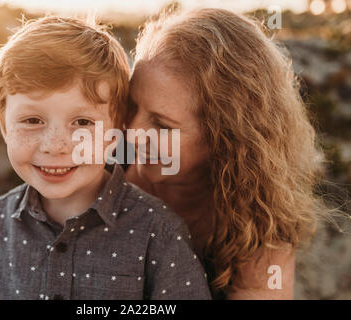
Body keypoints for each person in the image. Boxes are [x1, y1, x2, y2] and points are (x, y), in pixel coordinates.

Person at [0, 15, 211, 300]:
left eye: (82, 123)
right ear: (4, 125)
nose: (55, 146)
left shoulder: (159, 232)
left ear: (116, 131)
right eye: (32, 120)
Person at [124, 8, 328, 299]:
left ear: (225, 136)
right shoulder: (100, 168)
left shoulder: (260, 219)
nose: (131, 132)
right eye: (132, 105)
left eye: (161, 125)